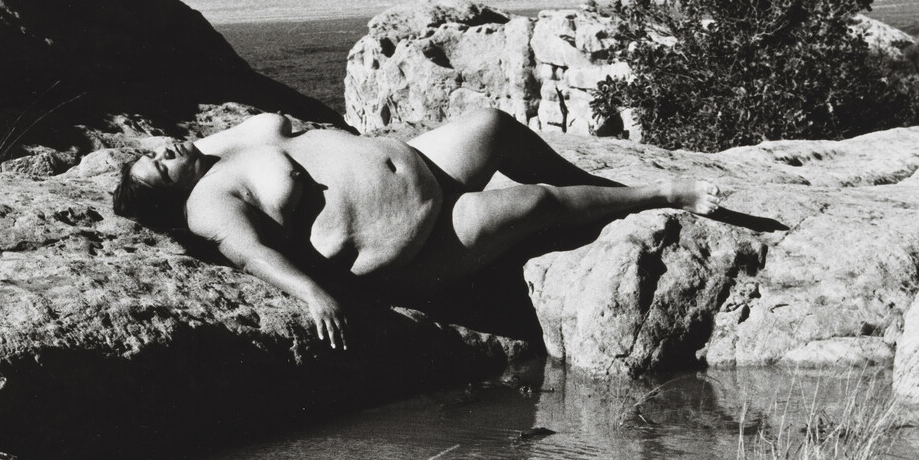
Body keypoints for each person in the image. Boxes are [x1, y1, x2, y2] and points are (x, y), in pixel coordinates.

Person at [116, 107, 719, 348]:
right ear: (174, 193)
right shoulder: (208, 201)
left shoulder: (216, 149)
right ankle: (657, 195)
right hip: (418, 242)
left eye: (156, 148)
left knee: (491, 125)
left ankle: (606, 191)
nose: (166, 148)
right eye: (160, 163)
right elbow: (248, 252)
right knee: (533, 202)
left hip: (424, 163)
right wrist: (313, 294)